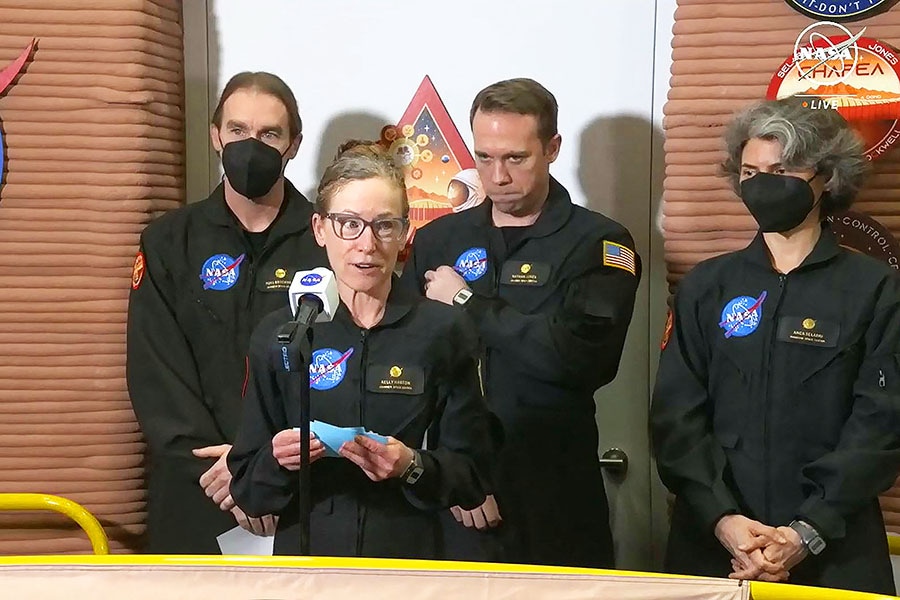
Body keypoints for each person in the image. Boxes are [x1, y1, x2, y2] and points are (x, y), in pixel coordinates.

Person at [650, 96, 900, 594]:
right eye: (749, 170)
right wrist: (723, 519)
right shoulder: (707, 285)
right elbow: (676, 417)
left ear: (826, 177)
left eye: (780, 168)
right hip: (714, 546)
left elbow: (882, 424)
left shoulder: (875, 289)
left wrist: (806, 532)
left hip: (836, 548)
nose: (762, 183)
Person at [401, 78, 641, 568]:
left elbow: (579, 358)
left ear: (551, 148)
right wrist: (453, 475)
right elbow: (409, 367)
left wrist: (467, 301)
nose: (497, 175)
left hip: (554, 489)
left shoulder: (600, 243)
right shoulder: (439, 241)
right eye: (484, 157)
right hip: (454, 491)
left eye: (515, 158)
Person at [227, 141, 497, 557]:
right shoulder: (282, 331)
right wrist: (278, 461)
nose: (366, 244)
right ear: (319, 229)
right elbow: (248, 490)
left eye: (384, 225)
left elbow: (474, 474)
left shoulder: (442, 330)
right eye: (348, 224)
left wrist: (411, 465)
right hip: (308, 566)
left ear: (405, 232)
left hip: (410, 561)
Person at [126, 71, 326, 553]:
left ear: (294, 144)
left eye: (269, 134)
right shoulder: (169, 240)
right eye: (237, 131)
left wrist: (267, 470)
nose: (250, 145)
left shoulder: (331, 241)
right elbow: (157, 372)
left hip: (302, 493)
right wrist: (226, 476)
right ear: (216, 135)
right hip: (198, 489)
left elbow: (341, 367)